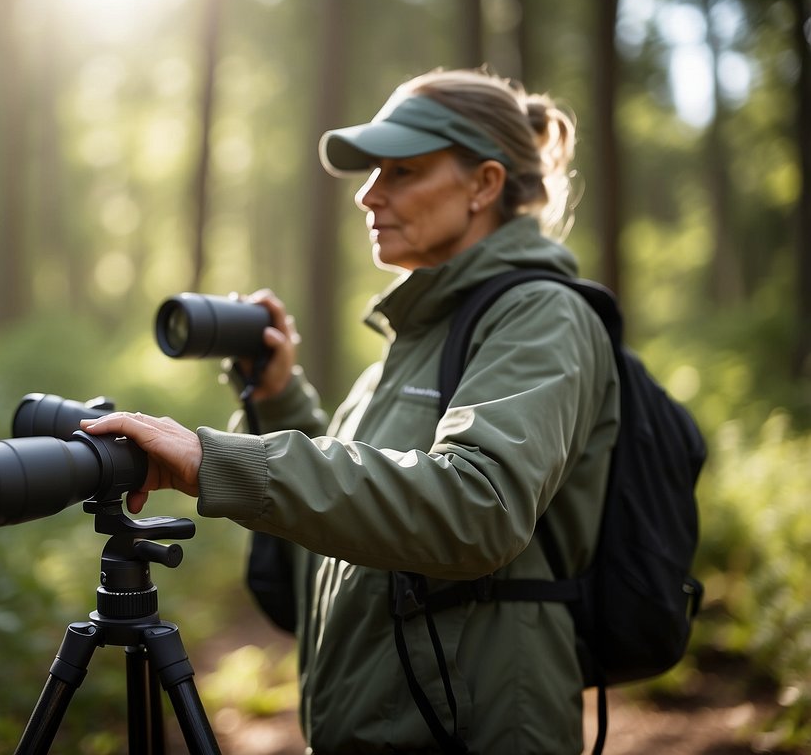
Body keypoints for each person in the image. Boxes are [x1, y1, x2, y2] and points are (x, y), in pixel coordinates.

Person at [83, 68, 620, 754]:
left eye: (401, 172)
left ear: (483, 185)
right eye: (372, 172)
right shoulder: (418, 337)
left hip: (476, 729)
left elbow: (476, 506)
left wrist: (211, 461)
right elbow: (362, 517)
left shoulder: (541, 315)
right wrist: (280, 400)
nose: (369, 195)